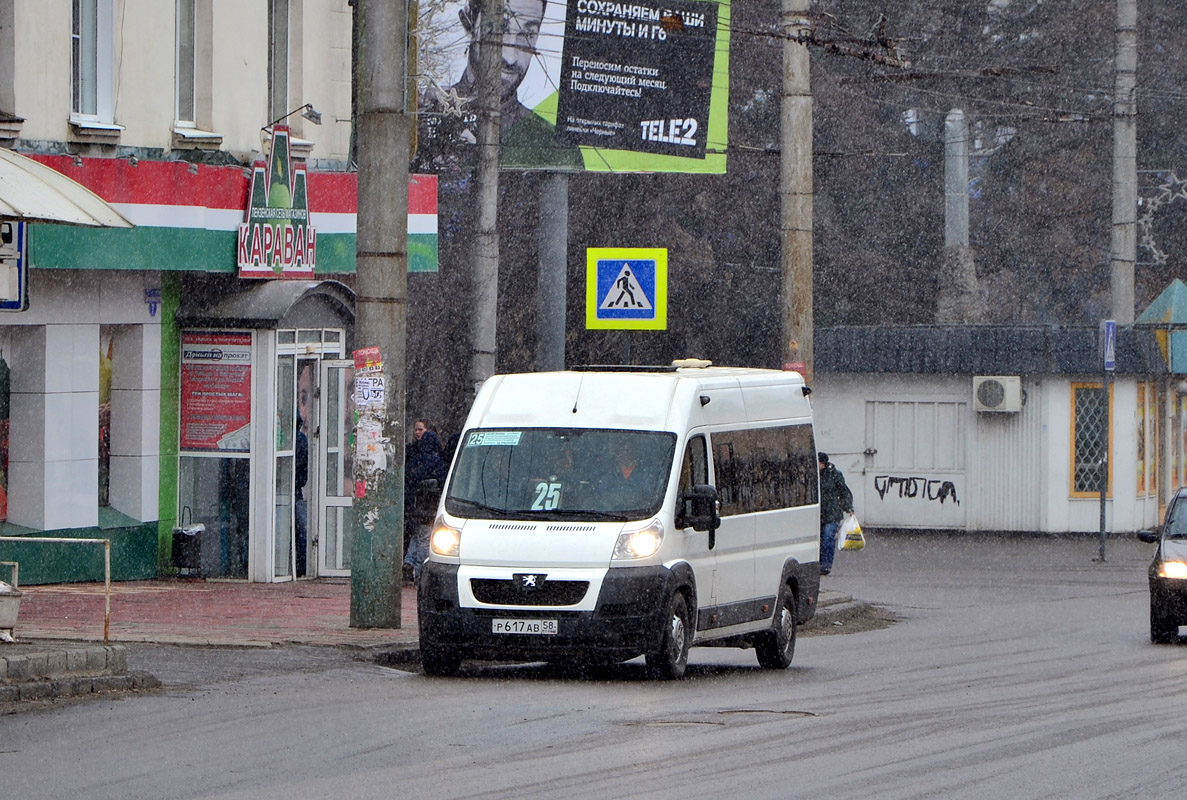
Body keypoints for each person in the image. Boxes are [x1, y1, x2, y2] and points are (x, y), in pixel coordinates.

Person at [416, 0, 583, 170]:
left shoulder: (556, 147)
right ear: (468, 22)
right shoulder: (422, 116)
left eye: (527, 35)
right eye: (499, 28)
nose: (510, 57)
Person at [404, 419, 448, 583]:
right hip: (429, 507)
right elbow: (442, 484)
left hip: (413, 507)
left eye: (419, 429)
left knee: (417, 535)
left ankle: (409, 561)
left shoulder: (413, 460)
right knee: (424, 538)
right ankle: (419, 571)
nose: (417, 433)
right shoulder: (437, 463)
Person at [818, 452, 854, 575]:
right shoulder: (814, 475)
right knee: (821, 538)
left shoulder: (834, 475)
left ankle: (825, 565)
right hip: (819, 513)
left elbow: (844, 491)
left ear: (822, 463)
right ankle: (820, 563)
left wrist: (848, 507)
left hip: (831, 513)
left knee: (828, 537)